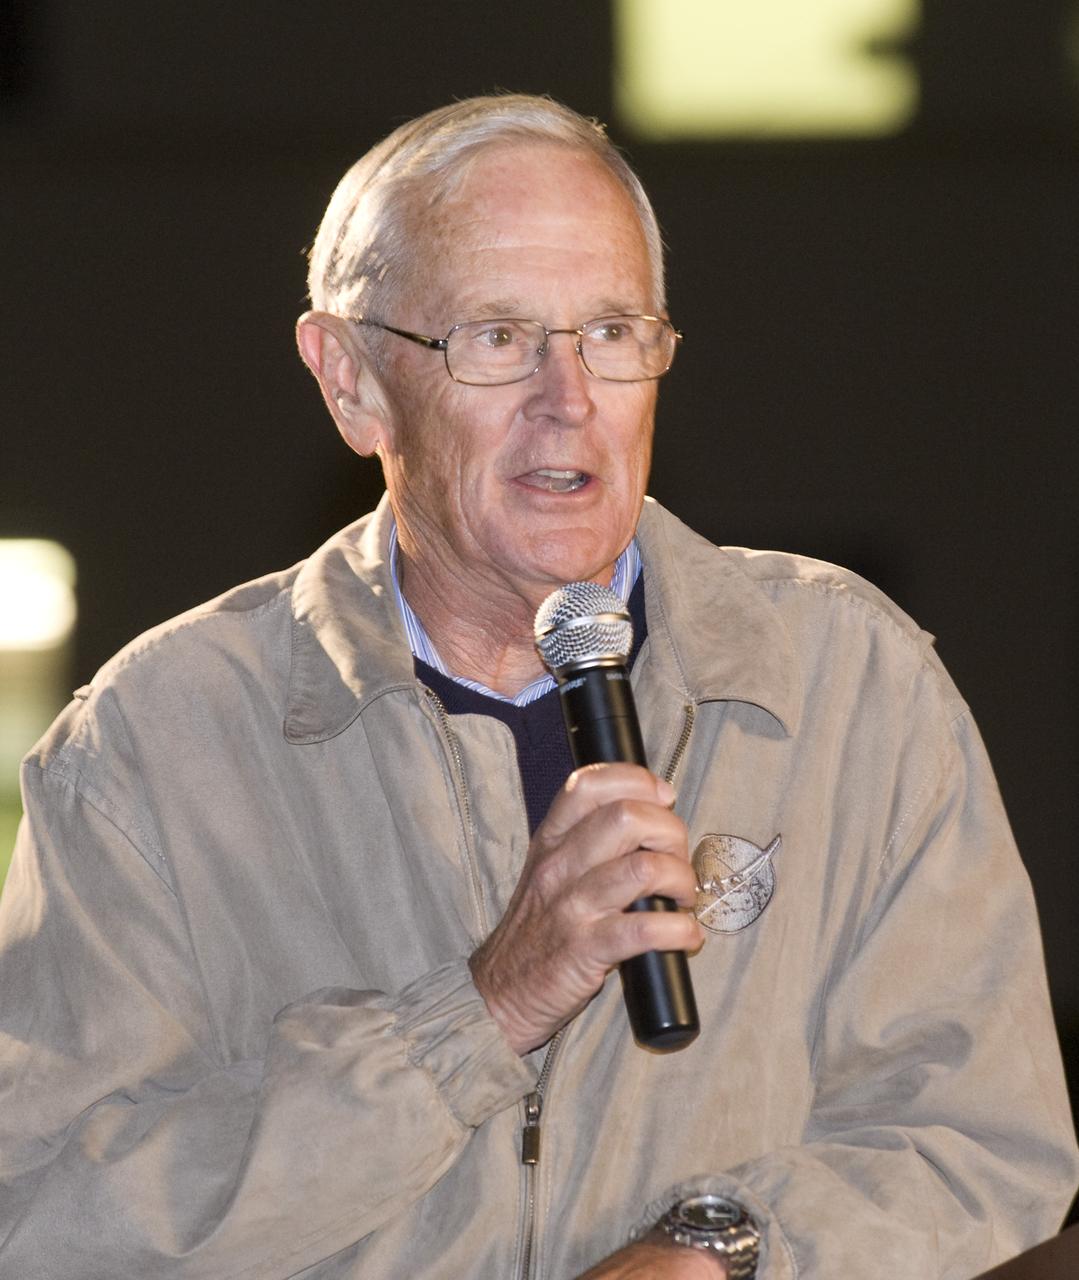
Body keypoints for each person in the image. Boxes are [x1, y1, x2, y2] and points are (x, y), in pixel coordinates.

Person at [0, 94, 1075, 1280]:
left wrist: (721, 1248)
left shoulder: (847, 682)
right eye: (495, 338)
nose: (569, 401)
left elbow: (983, 1146)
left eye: (611, 332)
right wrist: (476, 1012)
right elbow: (43, 1220)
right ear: (351, 379)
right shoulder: (159, 741)